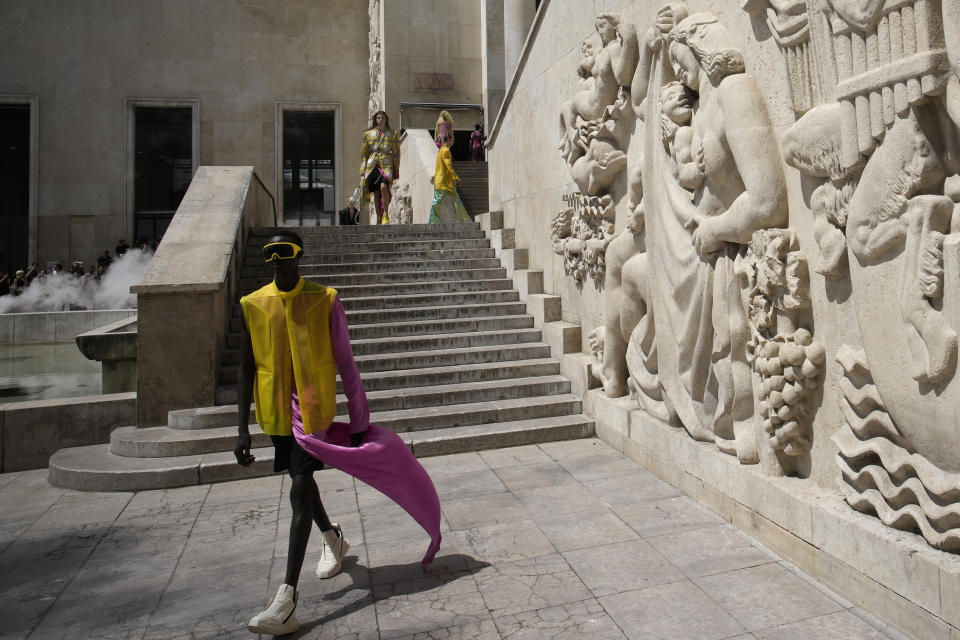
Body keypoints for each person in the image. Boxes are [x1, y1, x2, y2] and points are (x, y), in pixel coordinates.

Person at [236, 231, 442, 636]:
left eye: (285, 252)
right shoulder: (252, 304)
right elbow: (245, 367)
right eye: (270, 254)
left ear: (299, 255)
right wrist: (240, 428)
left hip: (313, 417)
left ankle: (286, 598)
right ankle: (333, 538)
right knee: (302, 484)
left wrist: (361, 419)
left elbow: (346, 362)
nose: (277, 260)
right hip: (276, 416)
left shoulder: (324, 299)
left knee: (299, 487)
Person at [359, 111, 400, 225]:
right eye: (378, 118)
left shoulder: (393, 134)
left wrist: (397, 168)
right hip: (372, 165)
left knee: (383, 188)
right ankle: (378, 217)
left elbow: (396, 153)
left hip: (387, 164)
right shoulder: (368, 134)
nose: (380, 120)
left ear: (386, 119)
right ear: (376, 120)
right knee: (376, 192)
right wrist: (362, 169)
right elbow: (364, 153)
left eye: (382, 118)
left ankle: (386, 214)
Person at [429, 133, 471, 224]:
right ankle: (433, 220)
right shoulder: (446, 151)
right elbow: (449, 166)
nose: (453, 141)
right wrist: (455, 176)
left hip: (444, 181)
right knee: (438, 201)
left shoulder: (441, 150)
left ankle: (464, 220)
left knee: (456, 199)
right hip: (442, 181)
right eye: (452, 139)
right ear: (448, 140)